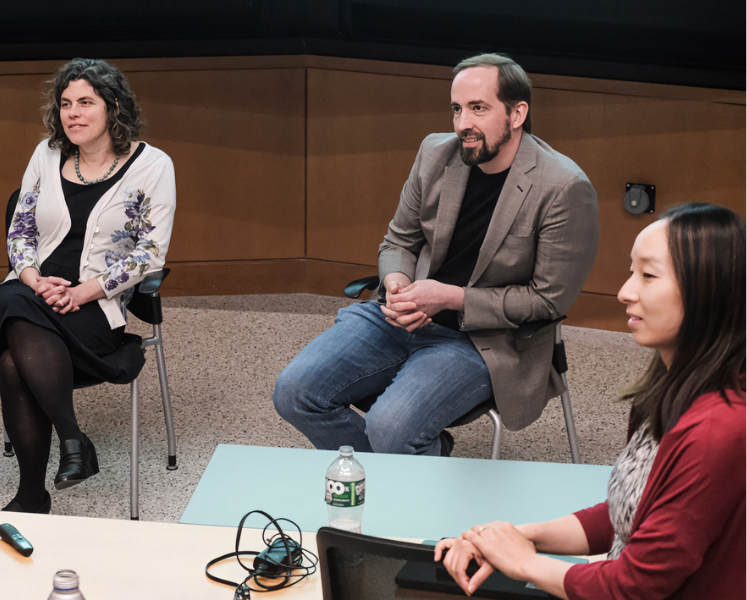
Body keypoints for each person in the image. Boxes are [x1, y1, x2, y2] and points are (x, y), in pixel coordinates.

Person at [273, 53, 598, 456]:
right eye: (457, 109)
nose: (463, 124)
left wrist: (450, 298)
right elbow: (399, 242)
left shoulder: (564, 187)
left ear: (517, 113)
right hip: (403, 318)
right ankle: (420, 460)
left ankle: (402, 470)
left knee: (390, 427)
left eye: (478, 108)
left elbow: (547, 300)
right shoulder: (436, 153)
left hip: (484, 340)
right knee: (295, 392)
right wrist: (397, 285)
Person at [435, 203, 745, 599]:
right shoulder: (669, 391)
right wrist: (513, 538)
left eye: (648, 276)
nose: (624, 292)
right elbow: (628, 519)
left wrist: (525, 562)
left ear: (708, 292)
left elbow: (635, 587)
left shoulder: (720, 429)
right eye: (632, 272)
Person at [0, 58, 175, 514]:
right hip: (32, 291)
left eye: (86, 102)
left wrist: (80, 292)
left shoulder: (153, 166)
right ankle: (73, 439)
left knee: (13, 359)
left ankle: (33, 493)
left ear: (113, 107)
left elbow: (149, 253)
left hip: (93, 309)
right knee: (10, 294)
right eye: (66, 103)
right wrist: (32, 277)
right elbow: (20, 231)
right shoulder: (45, 154)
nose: (73, 113)